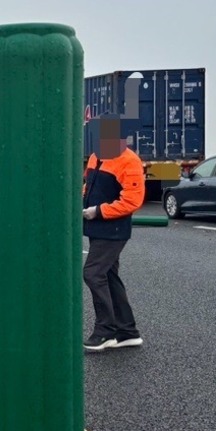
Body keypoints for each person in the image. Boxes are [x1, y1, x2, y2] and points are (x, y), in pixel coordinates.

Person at [82, 115, 146, 351]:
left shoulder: (129, 161)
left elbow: (132, 200)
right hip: (96, 226)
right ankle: (128, 331)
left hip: (113, 228)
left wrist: (98, 211)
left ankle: (105, 331)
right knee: (108, 275)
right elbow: (89, 186)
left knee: (93, 273)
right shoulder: (96, 156)